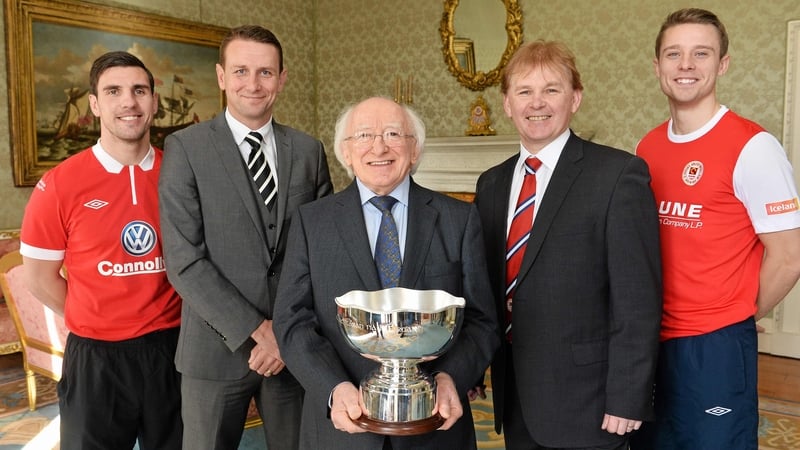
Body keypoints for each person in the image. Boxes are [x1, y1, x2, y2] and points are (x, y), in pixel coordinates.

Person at [273, 96, 499, 450]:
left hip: (435, 428)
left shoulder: (459, 219)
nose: (379, 146)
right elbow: (292, 321)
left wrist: (449, 379)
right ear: (346, 152)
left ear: (414, 148)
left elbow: (482, 321)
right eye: (363, 135)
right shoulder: (311, 222)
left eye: (393, 133)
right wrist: (333, 387)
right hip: (341, 431)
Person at [473, 40, 663, 450]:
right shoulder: (490, 184)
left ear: (575, 98)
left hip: (590, 401)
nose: (536, 103)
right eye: (524, 91)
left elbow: (638, 300)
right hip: (517, 395)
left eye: (551, 90)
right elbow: (484, 289)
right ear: (507, 103)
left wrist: (628, 396)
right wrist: (473, 367)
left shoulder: (617, 175)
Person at [630, 8, 800, 450]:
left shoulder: (754, 147)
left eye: (700, 53)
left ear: (722, 63)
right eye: (674, 54)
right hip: (650, 340)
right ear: (658, 67)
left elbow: (790, 255)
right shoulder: (647, 147)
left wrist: (739, 315)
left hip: (713, 348)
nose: (686, 65)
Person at [158, 25, 333, 449]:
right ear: (221, 77)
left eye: (265, 73)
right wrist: (260, 330)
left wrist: (285, 334)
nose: (252, 84)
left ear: (282, 78)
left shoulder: (308, 151)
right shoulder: (185, 148)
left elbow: (324, 252)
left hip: (293, 353)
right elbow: (184, 261)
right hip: (214, 353)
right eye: (240, 71)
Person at [19, 51, 182, 449]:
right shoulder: (60, 184)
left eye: (139, 90)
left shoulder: (180, 173)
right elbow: (39, 278)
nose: (129, 101)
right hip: (96, 358)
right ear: (94, 104)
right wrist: (95, 311)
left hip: (173, 350)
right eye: (114, 91)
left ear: (154, 101)